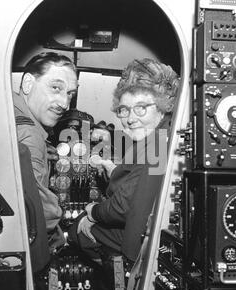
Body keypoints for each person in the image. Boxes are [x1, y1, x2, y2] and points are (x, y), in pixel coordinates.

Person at [68, 58, 179, 267]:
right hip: (136, 229)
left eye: (141, 108)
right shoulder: (156, 137)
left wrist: (92, 213)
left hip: (133, 243)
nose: (130, 119)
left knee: (76, 229)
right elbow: (138, 180)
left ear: (164, 107)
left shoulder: (157, 146)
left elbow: (121, 208)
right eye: (124, 109)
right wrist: (115, 171)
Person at [14, 52, 78, 252]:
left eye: (70, 94)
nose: (64, 104)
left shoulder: (10, 113)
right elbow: (41, 212)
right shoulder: (30, 135)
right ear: (27, 84)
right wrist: (59, 233)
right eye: (56, 88)